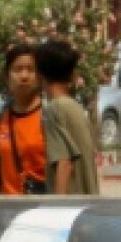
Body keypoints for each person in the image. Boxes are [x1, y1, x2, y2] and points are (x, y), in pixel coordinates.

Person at [0, 42, 48, 197]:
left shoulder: (49, 115)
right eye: (17, 69)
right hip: (5, 208)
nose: (24, 76)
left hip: (41, 209)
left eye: (30, 69)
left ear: (39, 76)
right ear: (7, 75)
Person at [36, 38, 100, 197]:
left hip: (70, 209)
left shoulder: (54, 109)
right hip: (89, 205)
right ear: (72, 74)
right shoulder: (75, 107)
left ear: (40, 75)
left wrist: (57, 209)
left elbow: (63, 163)